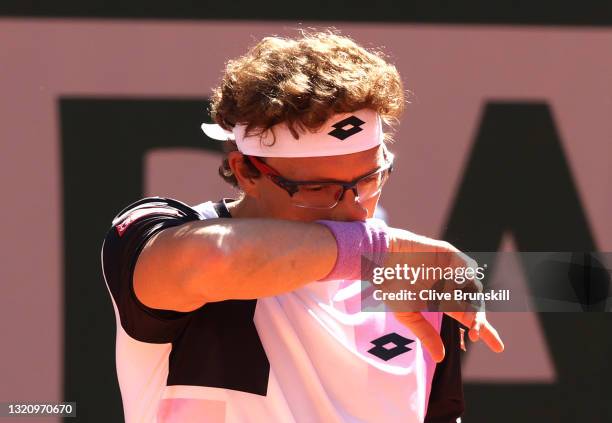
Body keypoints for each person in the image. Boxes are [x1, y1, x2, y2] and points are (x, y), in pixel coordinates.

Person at [101, 30, 503, 423]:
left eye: (369, 179)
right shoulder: (164, 232)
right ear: (246, 172)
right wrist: (375, 252)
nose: (354, 211)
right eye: (317, 189)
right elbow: (215, 259)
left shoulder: (414, 282)